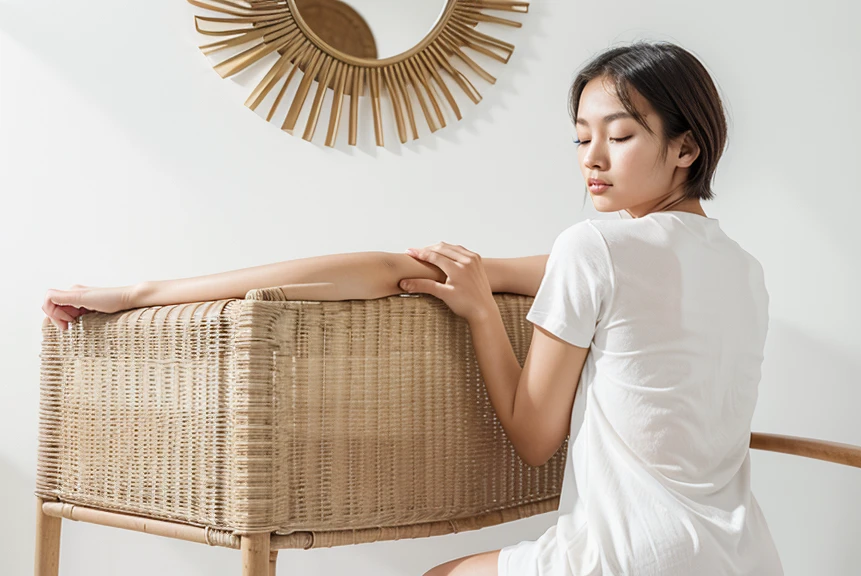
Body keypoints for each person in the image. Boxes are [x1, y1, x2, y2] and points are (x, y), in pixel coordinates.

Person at [40, 40, 783, 576]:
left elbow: (532, 437)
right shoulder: (745, 271)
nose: (591, 158)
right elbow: (405, 269)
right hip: (743, 556)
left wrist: (482, 318)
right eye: (582, 137)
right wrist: (142, 291)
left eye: (619, 137)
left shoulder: (595, 249)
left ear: (686, 149)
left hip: (627, 558)